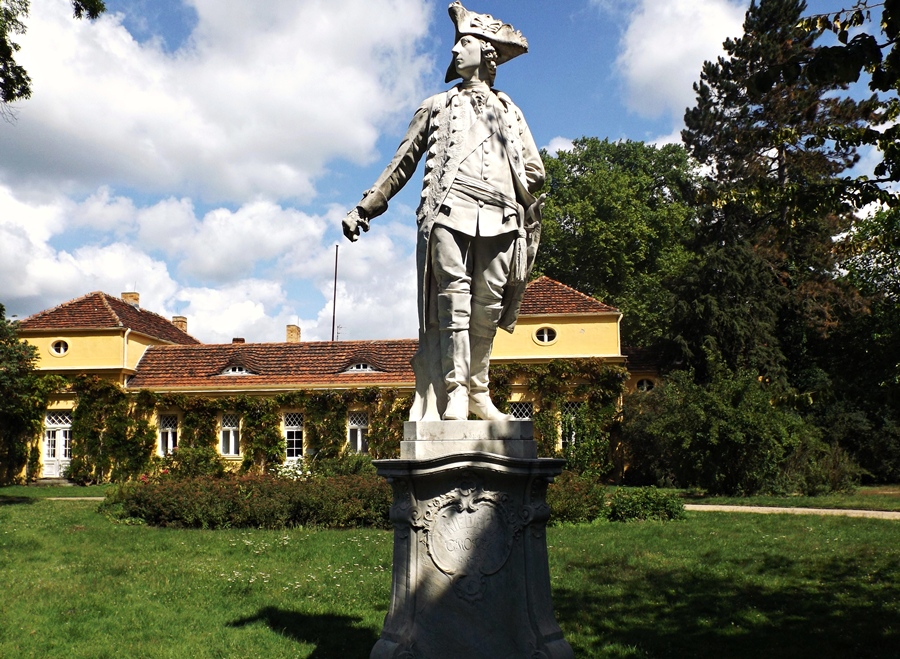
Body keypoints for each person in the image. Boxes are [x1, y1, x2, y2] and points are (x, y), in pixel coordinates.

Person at [343, 2, 544, 422]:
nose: (455, 52)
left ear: (487, 53)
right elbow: (401, 163)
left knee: (487, 305)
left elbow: (534, 167)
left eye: (464, 43)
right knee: (452, 303)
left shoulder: (509, 110)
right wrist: (366, 207)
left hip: (502, 215)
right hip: (449, 212)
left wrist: (519, 183)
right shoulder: (436, 105)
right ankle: (452, 391)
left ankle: (479, 393)